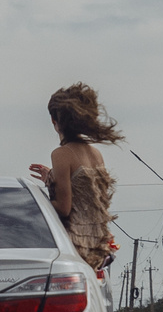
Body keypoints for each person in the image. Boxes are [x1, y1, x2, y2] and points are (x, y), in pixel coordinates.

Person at [29, 83, 121, 276]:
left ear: (55, 122)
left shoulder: (62, 154)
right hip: (98, 245)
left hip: (75, 245)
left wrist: (35, 202)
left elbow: (64, 207)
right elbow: (86, 196)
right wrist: (51, 179)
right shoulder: (95, 153)